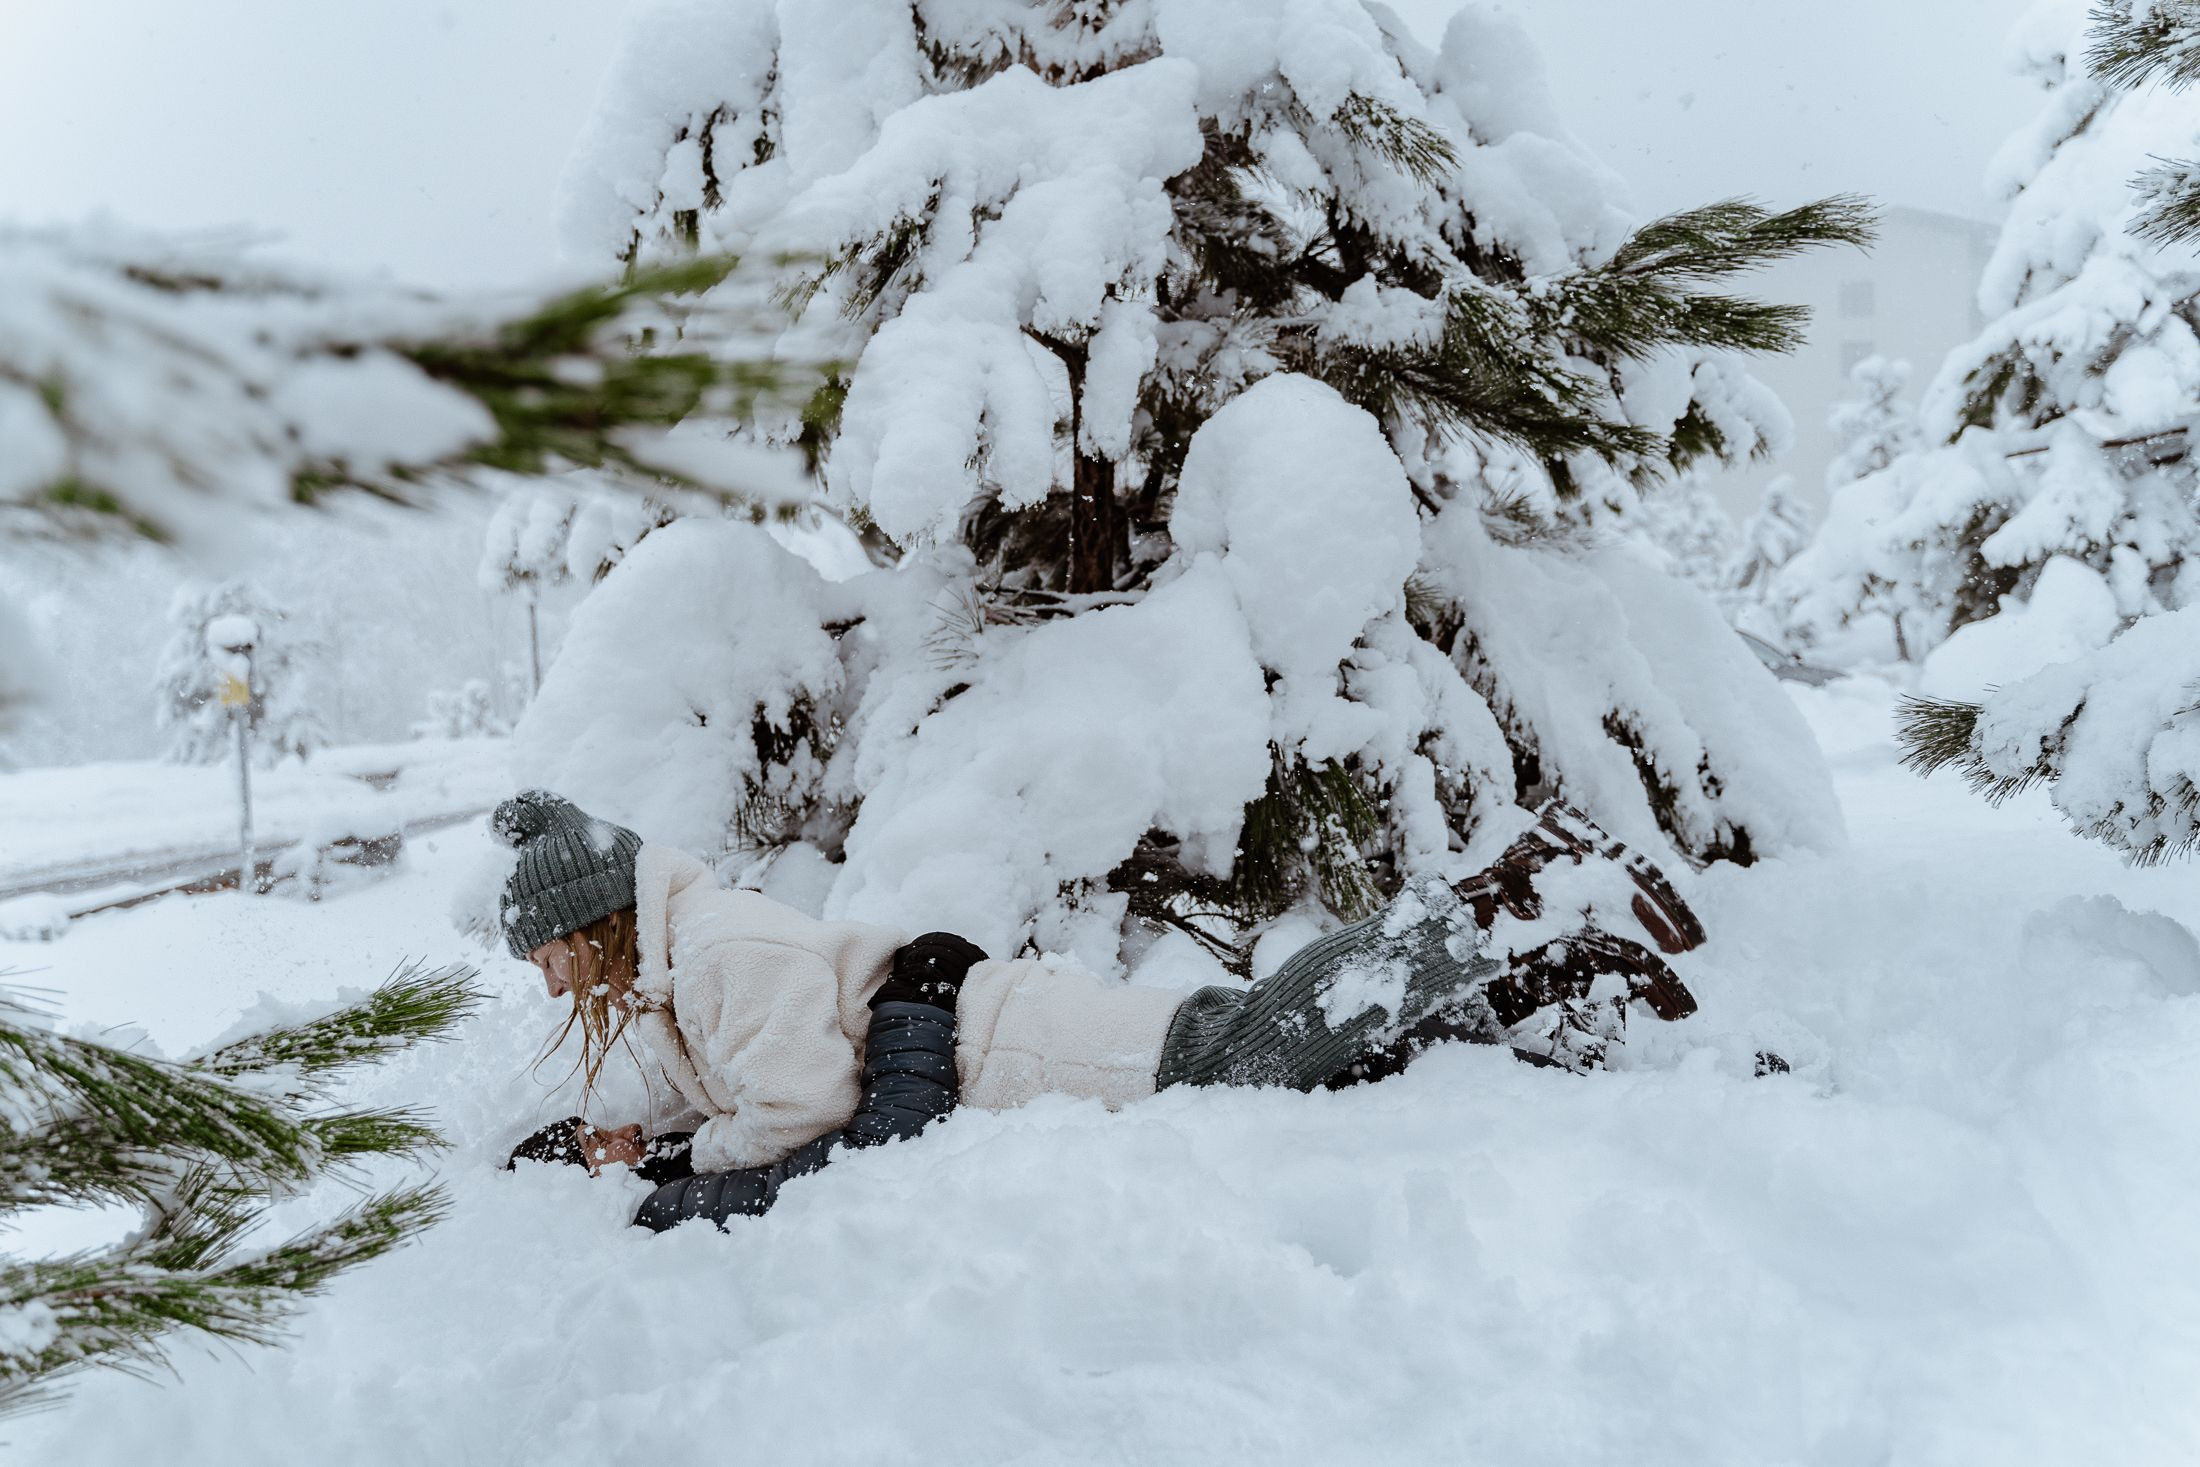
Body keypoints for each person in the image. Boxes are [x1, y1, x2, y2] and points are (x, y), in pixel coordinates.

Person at [494, 790, 1703, 1231]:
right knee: (1321, 1067)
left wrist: (677, 1166)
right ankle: (1551, 981)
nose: (549, 981)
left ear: (597, 922)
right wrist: (622, 1145)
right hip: (998, 1040)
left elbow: (797, 1105)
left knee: (1241, 1050)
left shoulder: (719, 954)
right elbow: (712, 1090)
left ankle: (1507, 887)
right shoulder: (675, 974)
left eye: (549, 953)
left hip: (1009, 1043)